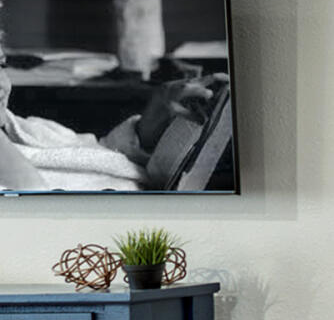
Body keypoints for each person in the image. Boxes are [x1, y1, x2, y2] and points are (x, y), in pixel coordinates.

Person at [0, 13, 221, 191]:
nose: (2, 84)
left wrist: (146, 130)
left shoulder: (28, 129)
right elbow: (35, 213)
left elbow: (97, 154)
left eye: (1, 65)